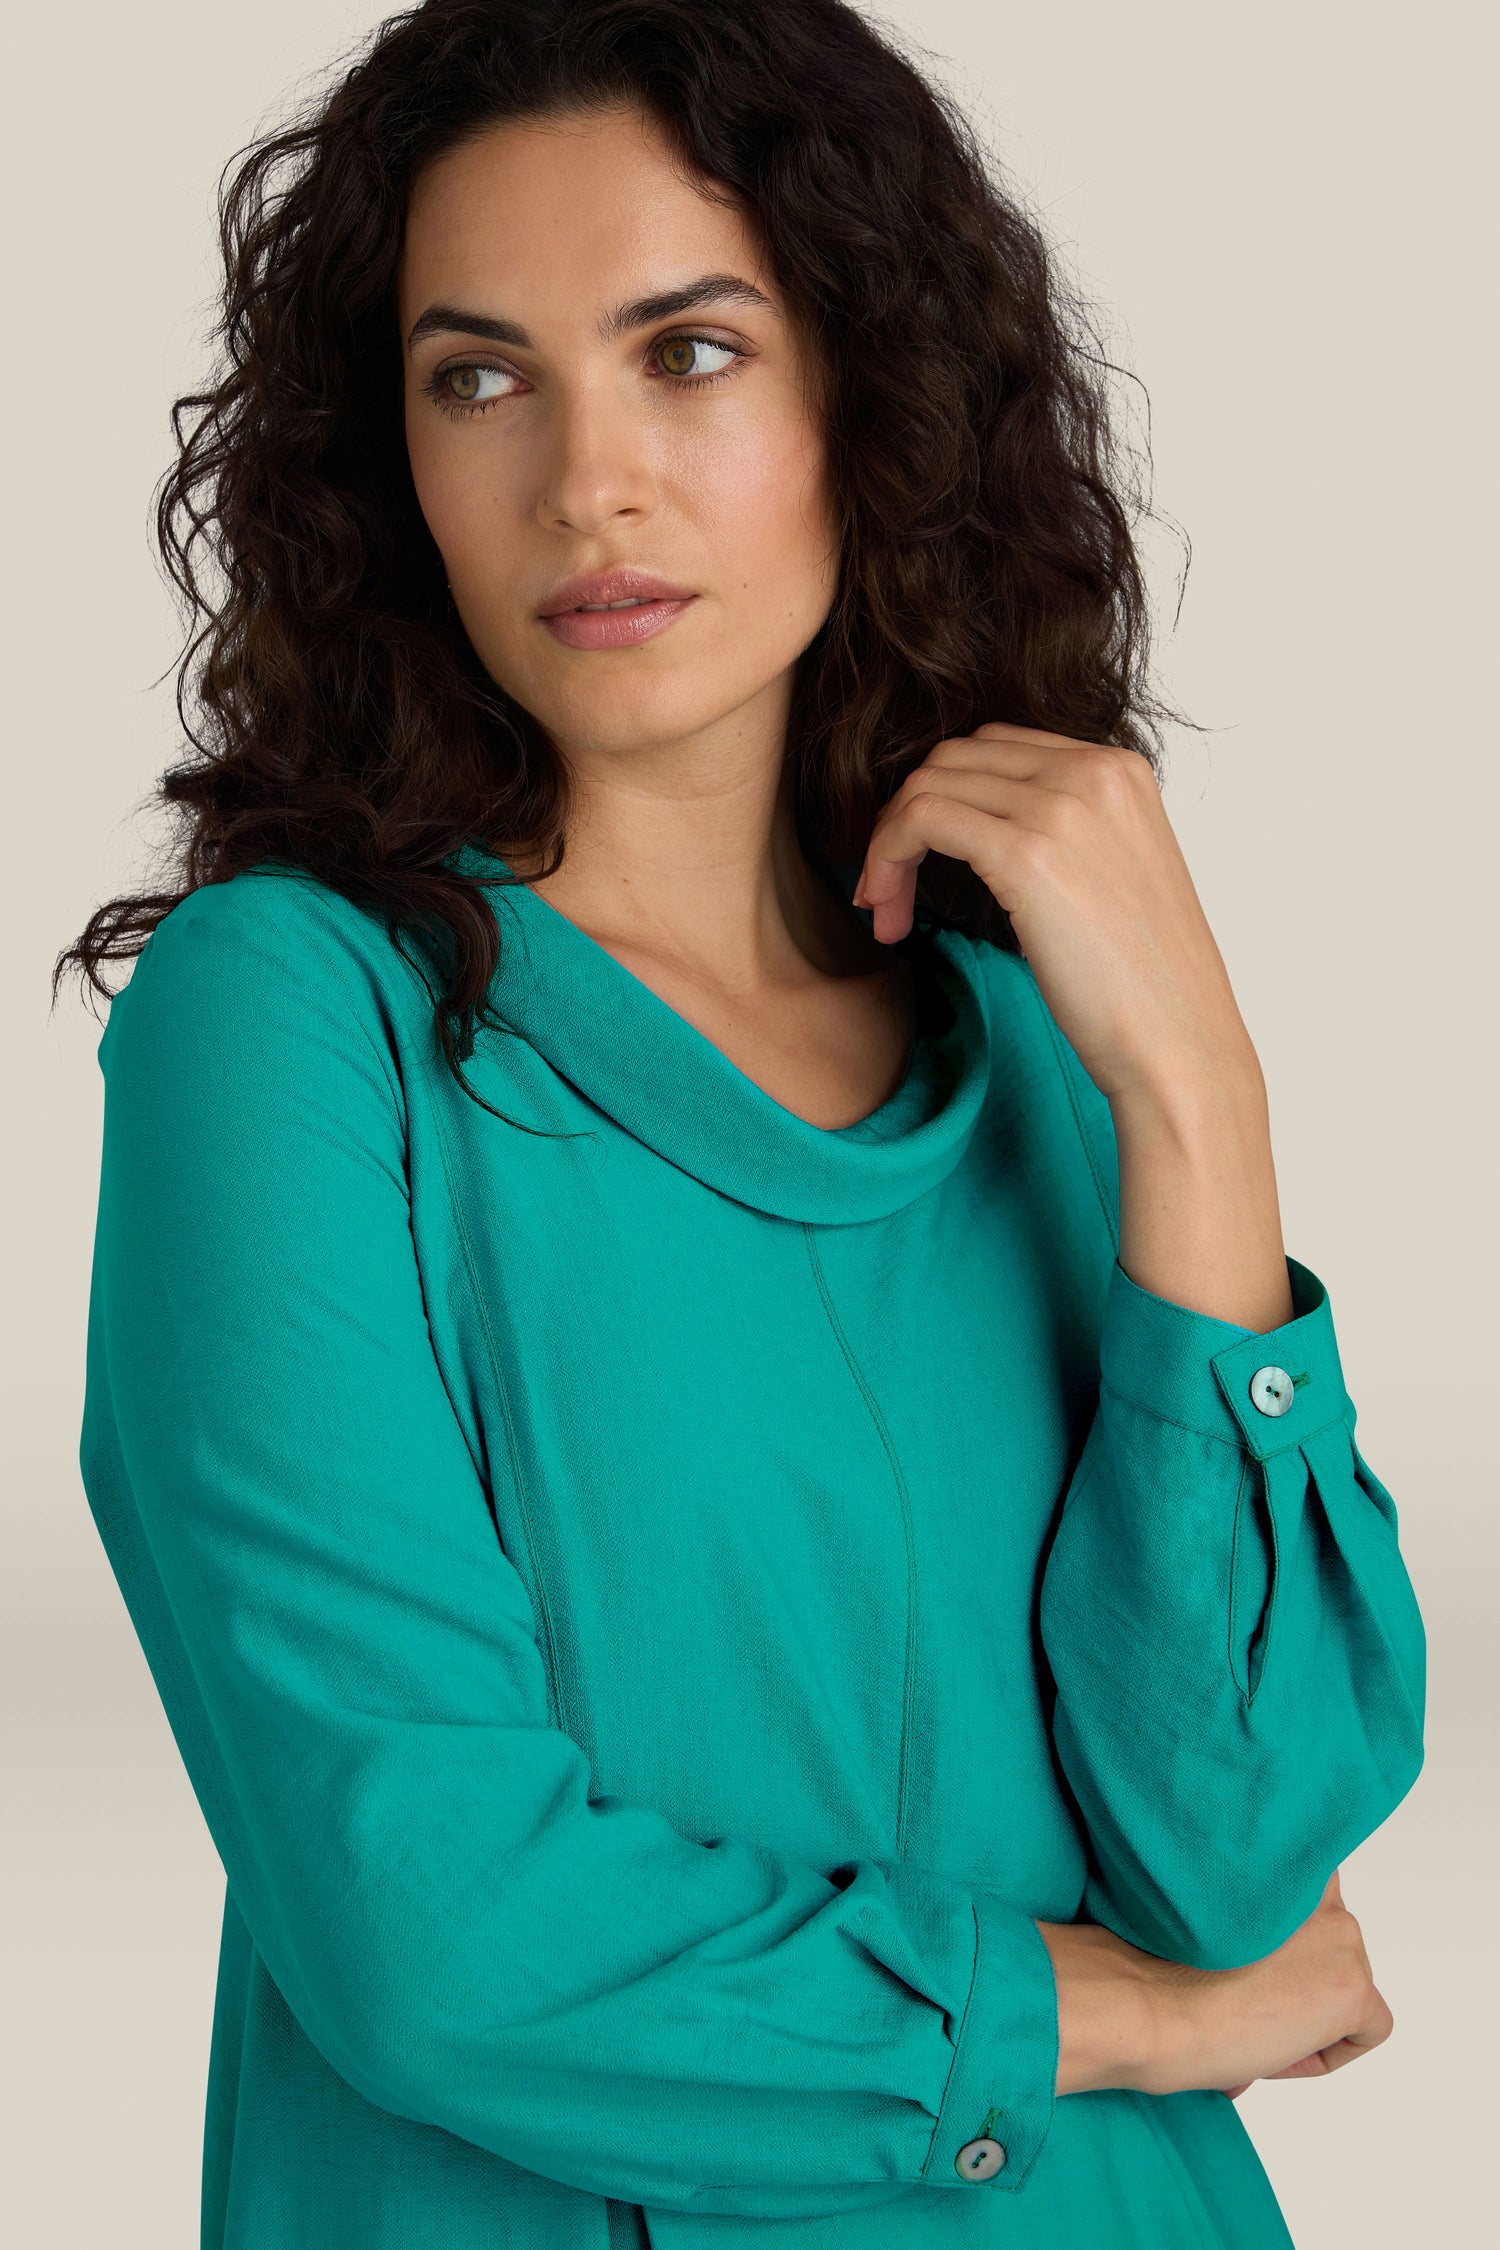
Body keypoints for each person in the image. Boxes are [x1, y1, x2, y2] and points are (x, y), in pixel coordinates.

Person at [58, 3, 1426, 2245]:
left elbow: (1237, 1852)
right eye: (478, 376)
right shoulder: (292, 1025)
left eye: (688, 352)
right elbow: (436, 1931)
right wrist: (1111, 2022)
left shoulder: (1033, 1043)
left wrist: (1197, 1092)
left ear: (862, 396)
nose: (585, 480)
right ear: (384, 458)